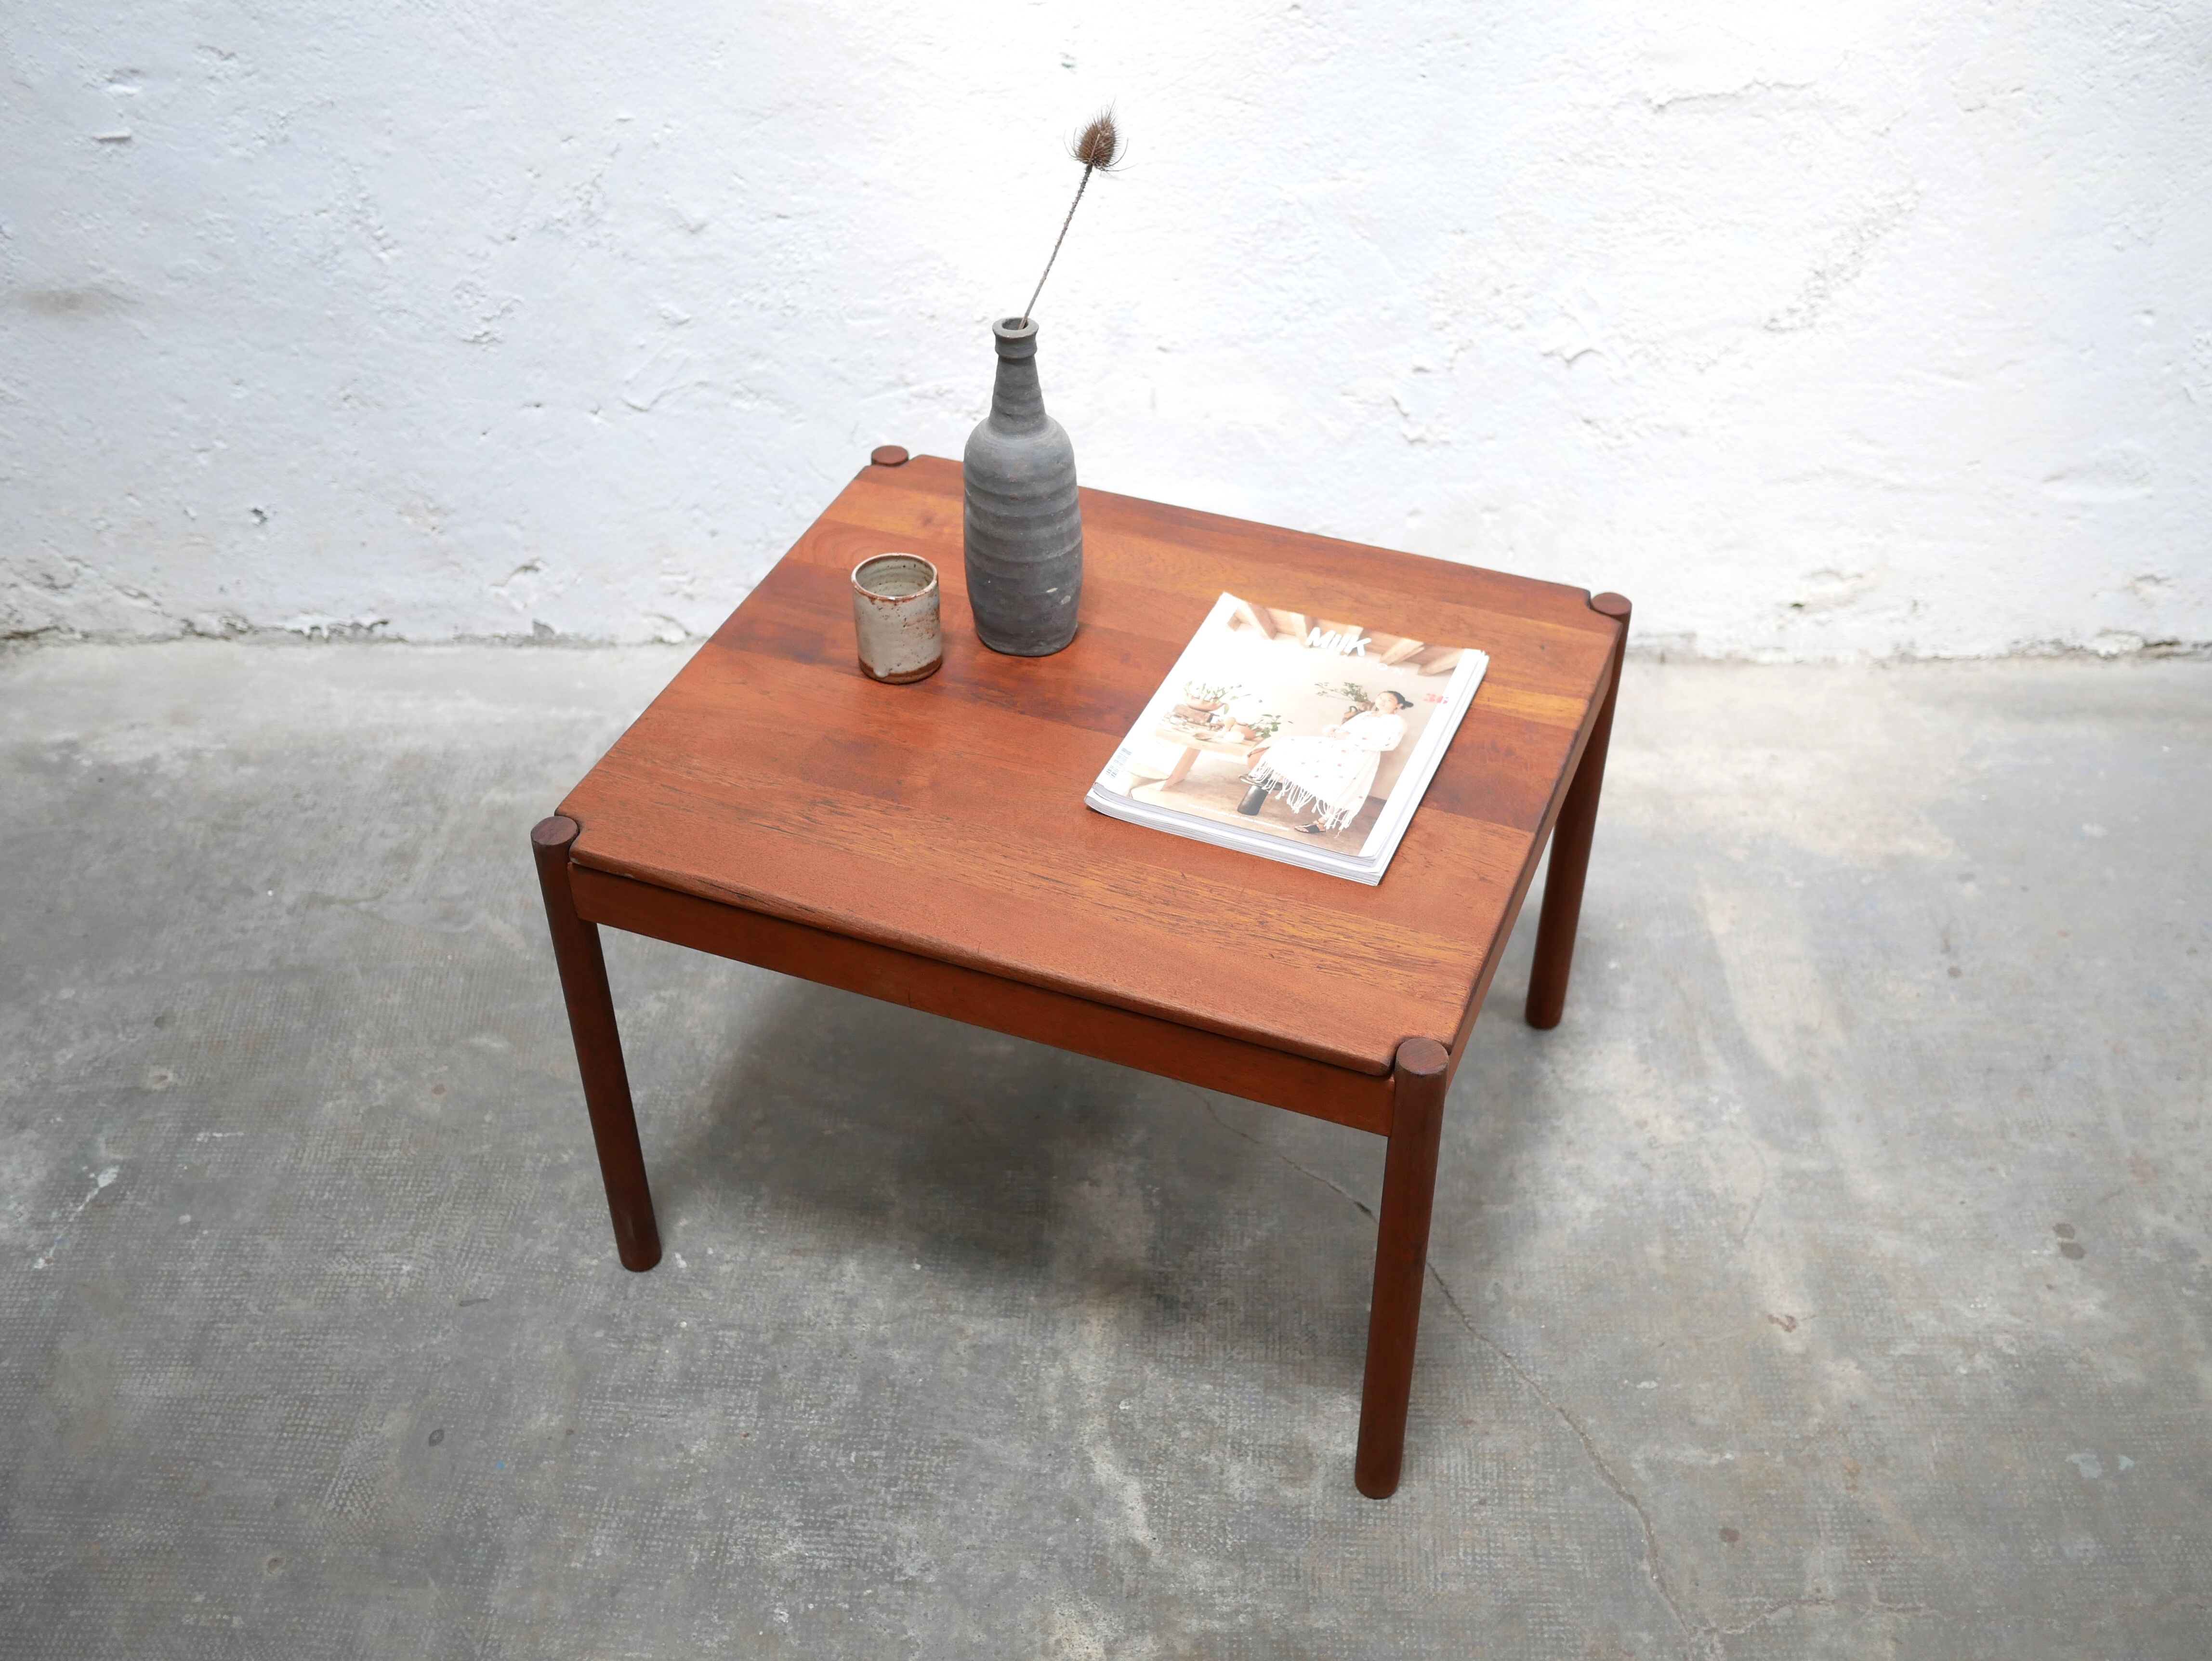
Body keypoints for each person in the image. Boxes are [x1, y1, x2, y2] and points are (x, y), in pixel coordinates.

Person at [1235, 690, 1412, 833]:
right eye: (1381, 697)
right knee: (1289, 742)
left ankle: (1323, 823)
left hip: (1360, 755)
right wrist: (1335, 731)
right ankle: (1274, 776)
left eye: (1389, 700)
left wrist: (1350, 737)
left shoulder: (1397, 722)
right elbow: (1345, 730)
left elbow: (1386, 744)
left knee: (1344, 787)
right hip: (1341, 748)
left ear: (1399, 705)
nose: (1382, 701)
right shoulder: (1367, 715)